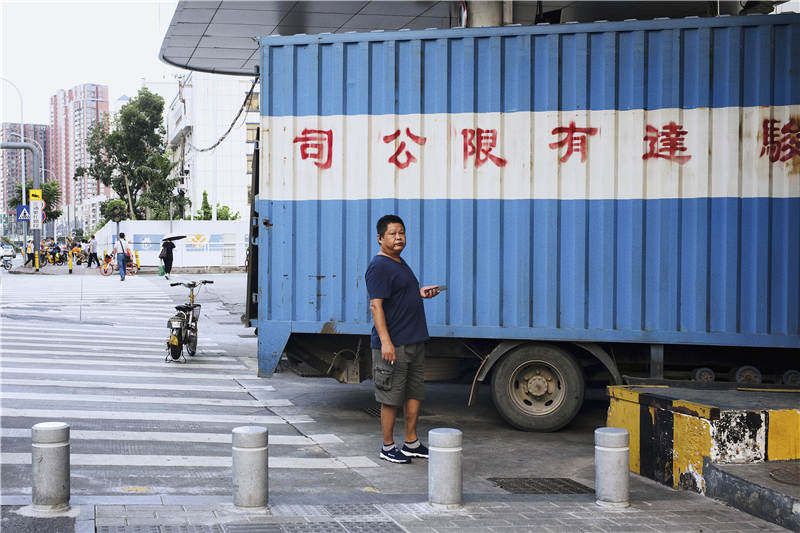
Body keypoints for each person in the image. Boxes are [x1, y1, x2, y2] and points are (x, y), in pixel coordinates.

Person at [365, 214, 441, 464]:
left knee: (414, 393)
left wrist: (420, 294)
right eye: (392, 234)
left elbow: (399, 296)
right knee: (390, 398)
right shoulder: (379, 266)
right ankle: (387, 446)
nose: (398, 238)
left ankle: (411, 442)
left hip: (414, 340)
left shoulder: (399, 263)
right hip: (394, 345)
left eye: (402, 233)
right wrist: (386, 342)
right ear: (380, 238)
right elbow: (376, 306)